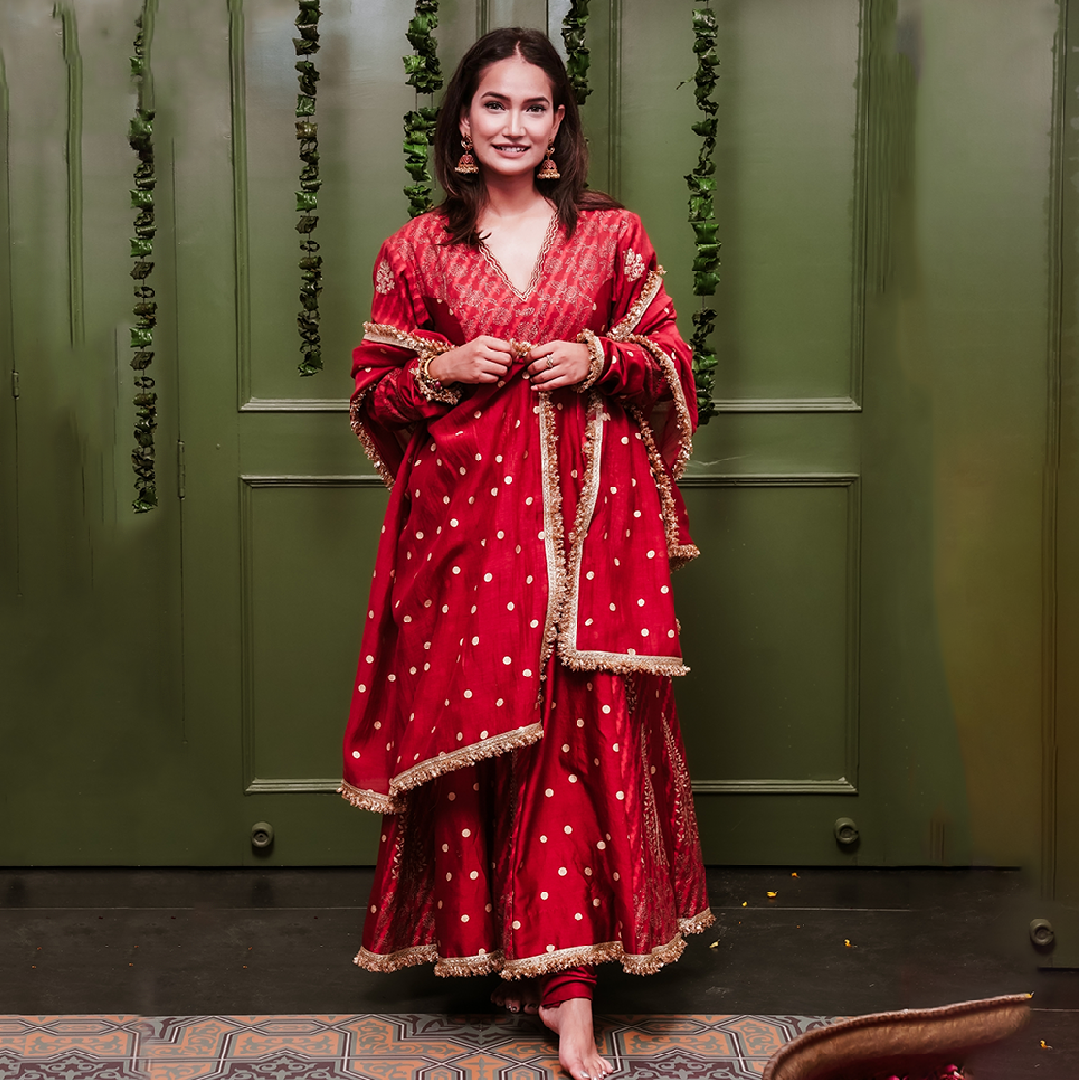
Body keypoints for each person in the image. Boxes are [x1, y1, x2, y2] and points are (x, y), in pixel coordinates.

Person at [338, 26, 713, 1080]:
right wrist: (446, 366)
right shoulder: (419, 250)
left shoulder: (611, 236)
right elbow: (374, 397)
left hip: (592, 538)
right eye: (494, 105)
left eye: (534, 107)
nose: (513, 124)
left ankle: (571, 995)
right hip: (463, 539)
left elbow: (672, 363)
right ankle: (511, 949)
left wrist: (598, 355)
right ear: (463, 123)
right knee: (489, 745)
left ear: (558, 128)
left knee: (571, 739)